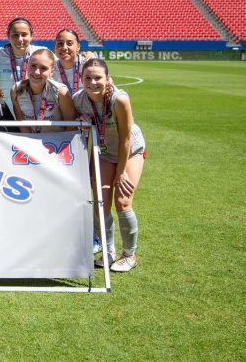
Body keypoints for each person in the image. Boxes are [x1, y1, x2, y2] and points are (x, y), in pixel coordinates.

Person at [73, 58, 146, 273]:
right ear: (81, 79)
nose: (93, 82)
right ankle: (108, 250)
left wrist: (121, 173)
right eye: (88, 78)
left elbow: (125, 139)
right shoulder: (79, 100)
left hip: (131, 150)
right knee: (100, 201)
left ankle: (129, 255)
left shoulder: (119, 99)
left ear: (108, 79)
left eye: (98, 78)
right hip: (105, 152)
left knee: (122, 200)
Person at [0, 17, 48, 111]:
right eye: (15, 35)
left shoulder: (42, 53)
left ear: (31, 35)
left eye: (24, 34)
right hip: (8, 116)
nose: (20, 39)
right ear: (8, 36)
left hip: (37, 116)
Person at [11, 48, 76, 133]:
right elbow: (22, 124)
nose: (37, 72)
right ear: (27, 65)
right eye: (33, 66)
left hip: (57, 144)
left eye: (43, 68)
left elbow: (71, 126)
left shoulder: (60, 92)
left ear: (52, 70)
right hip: (29, 142)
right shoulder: (16, 90)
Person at [53, 28, 93, 94]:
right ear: (55, 47)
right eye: (60, 43)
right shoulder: (50, 68)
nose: (64, 47)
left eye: (69, 43)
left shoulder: (88, 64)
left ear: (78, 47)